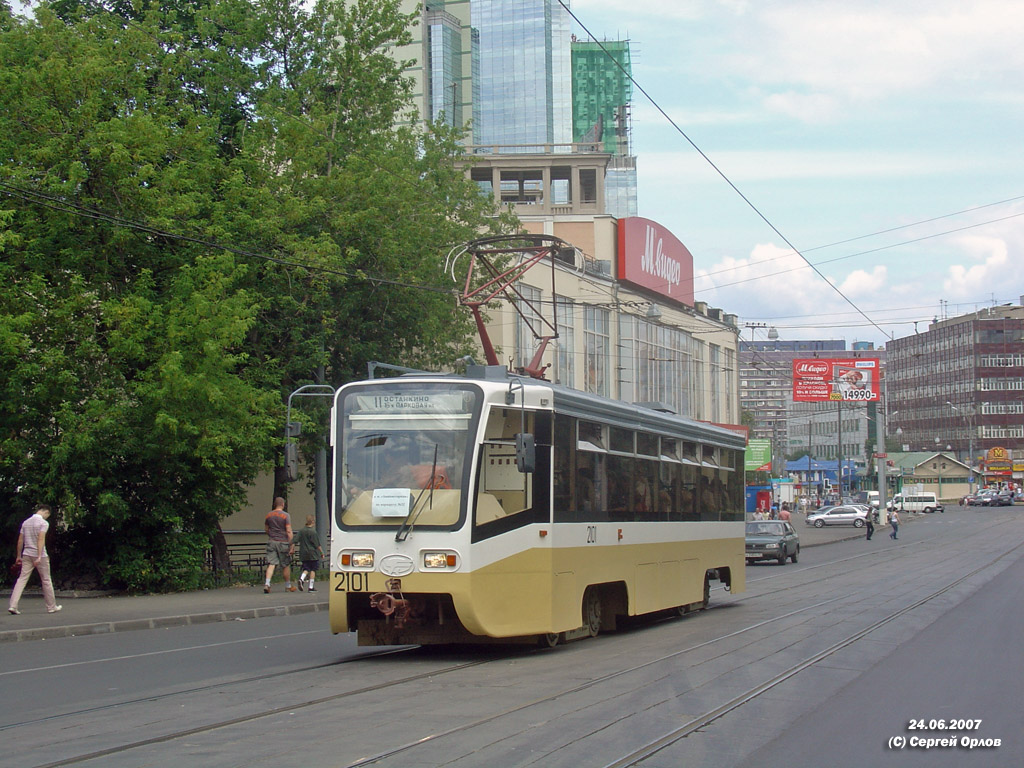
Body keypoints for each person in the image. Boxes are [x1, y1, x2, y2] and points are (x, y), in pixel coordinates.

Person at [8, 504, 62, 615]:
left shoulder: (26, 522)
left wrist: (18, 556)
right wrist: (38, 556)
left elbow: (20, 540)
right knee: (46, 580)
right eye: (47, 515)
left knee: (22, 579)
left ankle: (13, 605)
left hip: (26, 554)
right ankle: (51, 606)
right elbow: (41, 539)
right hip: (40, 555)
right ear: (46, 512)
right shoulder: (43, 523)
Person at [264, 497, 296, 593]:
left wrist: (271, 535)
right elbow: (289, 531)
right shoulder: (286, 516)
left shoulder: (268, 515)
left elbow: (266, 529)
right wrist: (291, 545)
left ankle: (267, 583)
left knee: (271, 564)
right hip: (283, 543)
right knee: (285, 564)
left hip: (272, 542)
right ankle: (287, 586)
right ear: (282, 504)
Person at [295, 515, 324, 592]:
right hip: (312, 554)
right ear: (313, 522)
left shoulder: (302, 531)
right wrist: (322, 553)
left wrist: (291, 548)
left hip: (303, 553)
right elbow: (317, 544)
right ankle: (311, 587)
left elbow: (295, 540)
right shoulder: (313, 532)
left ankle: (301, 578)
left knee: (306, 568)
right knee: (313, 570)